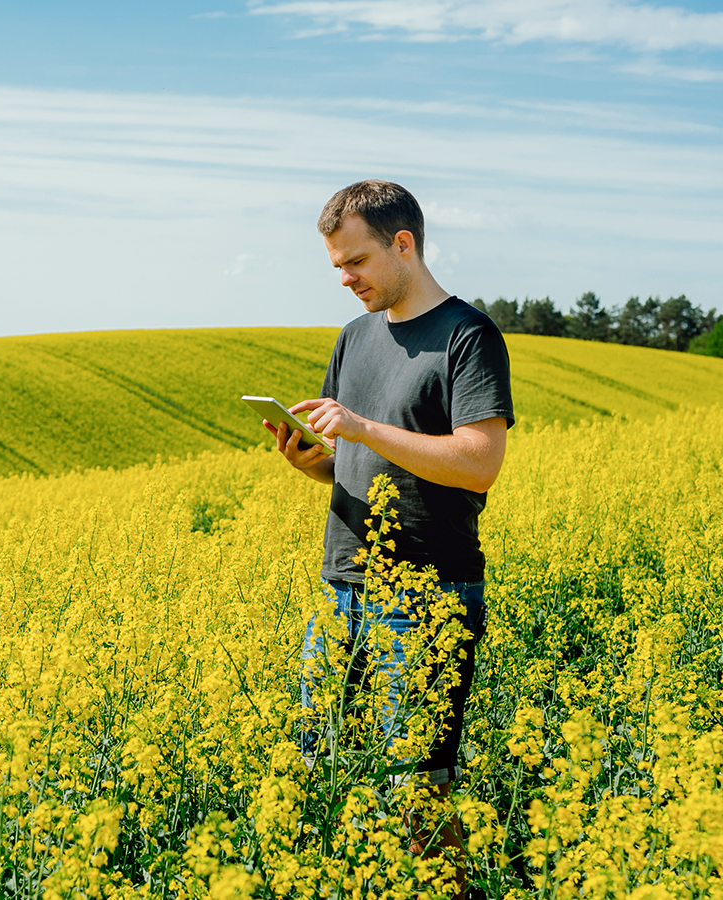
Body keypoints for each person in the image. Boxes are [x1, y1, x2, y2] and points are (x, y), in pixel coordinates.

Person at [265, 180, 514, 868]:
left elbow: (479, 463)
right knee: (320, 768)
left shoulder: (467, 337)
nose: (345, 279)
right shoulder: (354, 337)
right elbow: (357, 459)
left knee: (418, 789)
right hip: (342, 586)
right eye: (337, 266)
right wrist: (314, 462)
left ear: (403, 244)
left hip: (425, 595)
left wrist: (363, 428)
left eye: (356, 261)